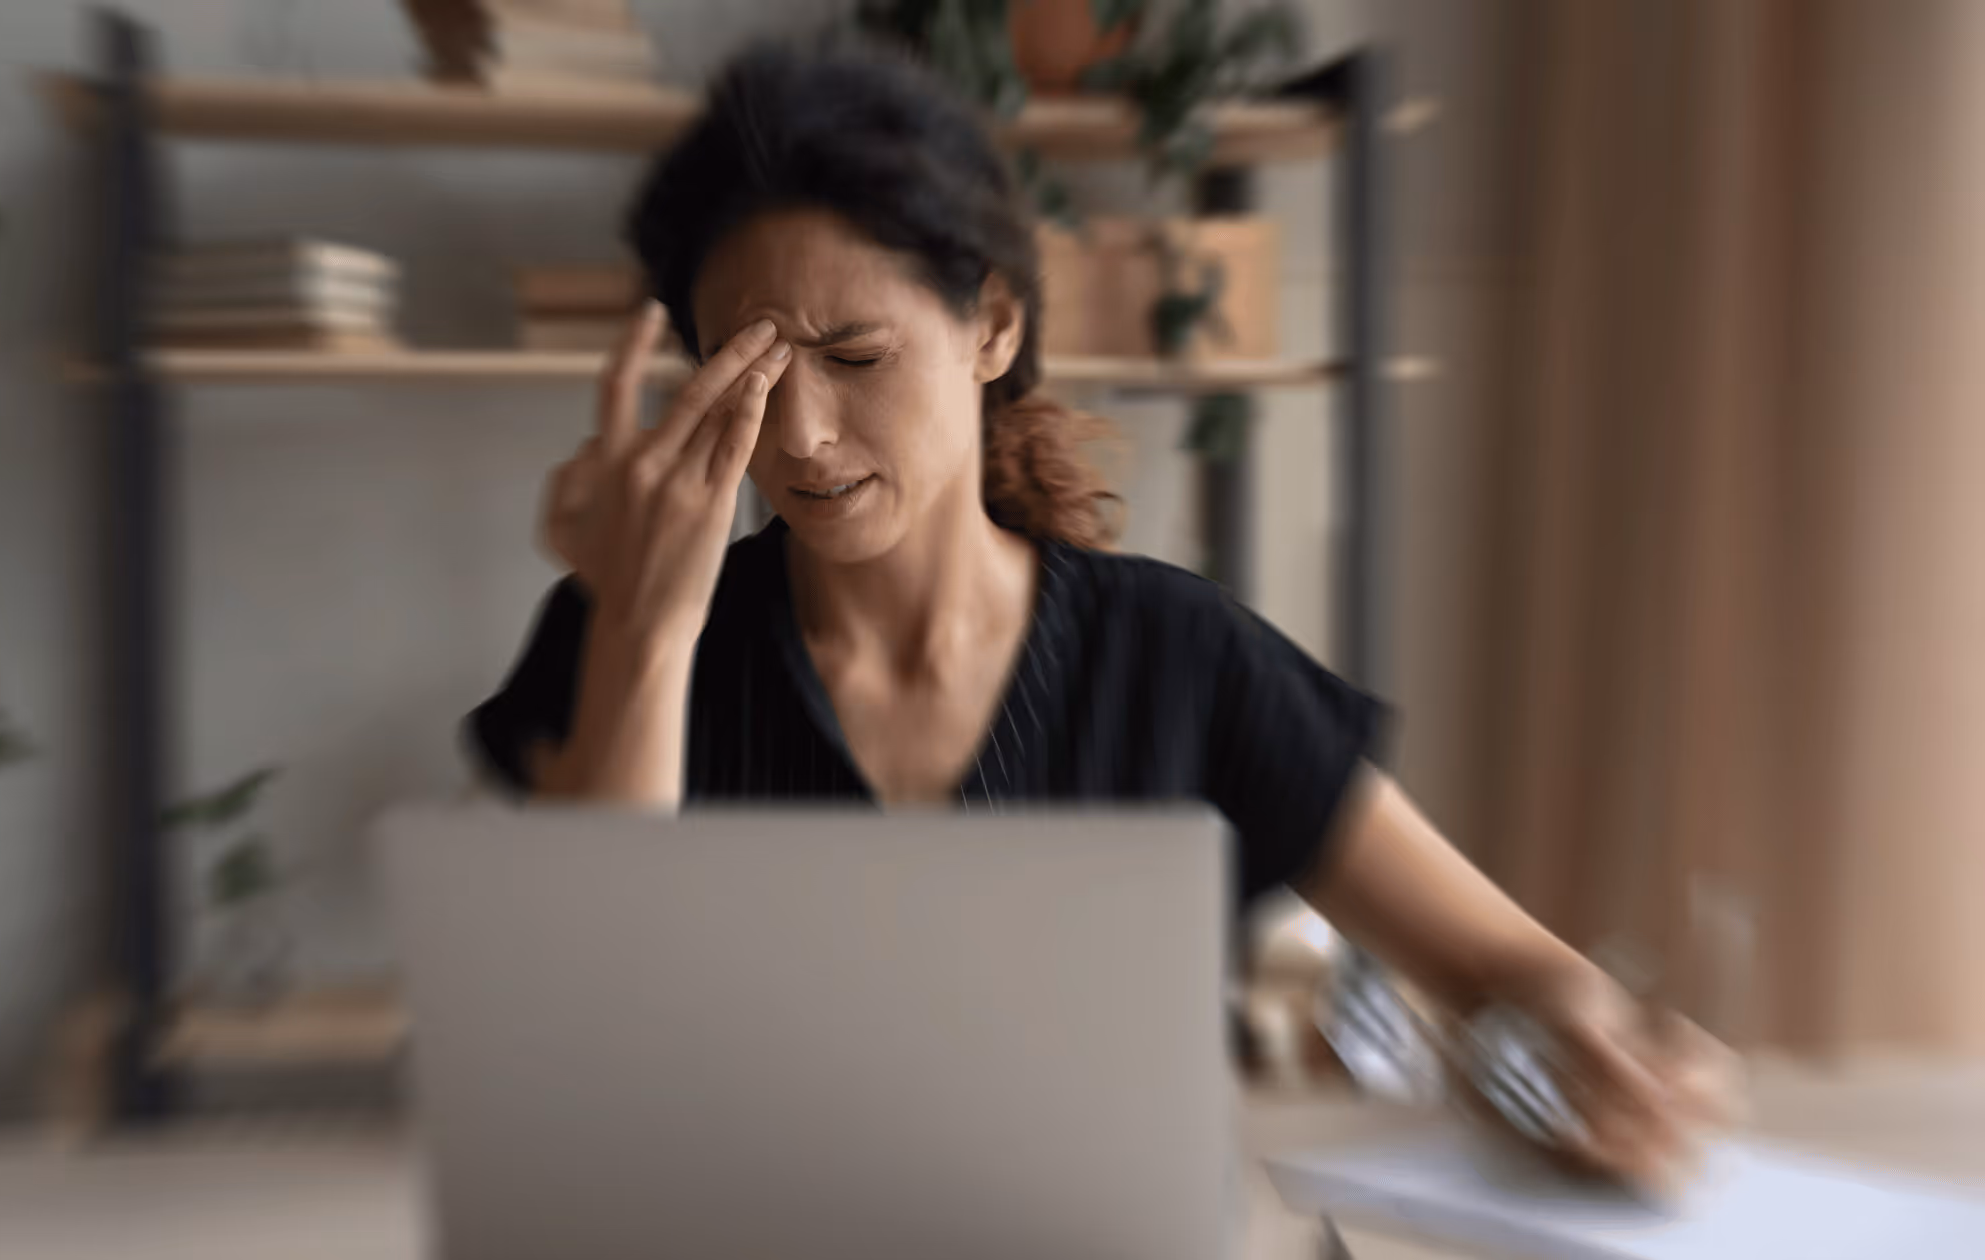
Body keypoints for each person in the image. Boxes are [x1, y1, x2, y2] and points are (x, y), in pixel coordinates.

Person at [468, 39, 1738, 1192]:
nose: (797, 438)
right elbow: (580, 1084)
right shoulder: (620, 635)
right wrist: (641, 632)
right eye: (742, 372)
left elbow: (1496, 967)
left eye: (853, 357)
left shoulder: (1178, 657)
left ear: (992, 325)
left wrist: (1593, 1046)